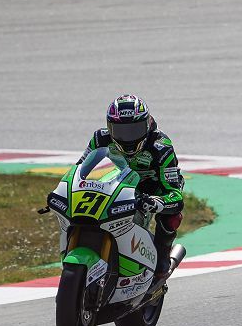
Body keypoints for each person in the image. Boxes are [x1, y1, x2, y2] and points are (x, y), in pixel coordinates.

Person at [78, 95, 184, 281]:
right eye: (121, 131)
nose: (128, 138)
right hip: (114, 185)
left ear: (147, 124)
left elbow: (174, 194)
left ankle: (162, 255)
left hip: (152, 190)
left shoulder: (161, 147)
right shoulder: (99, 139)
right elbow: (79, 169)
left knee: (172, 215)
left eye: (134, 130)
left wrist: (155, 202)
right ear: (109, 127)